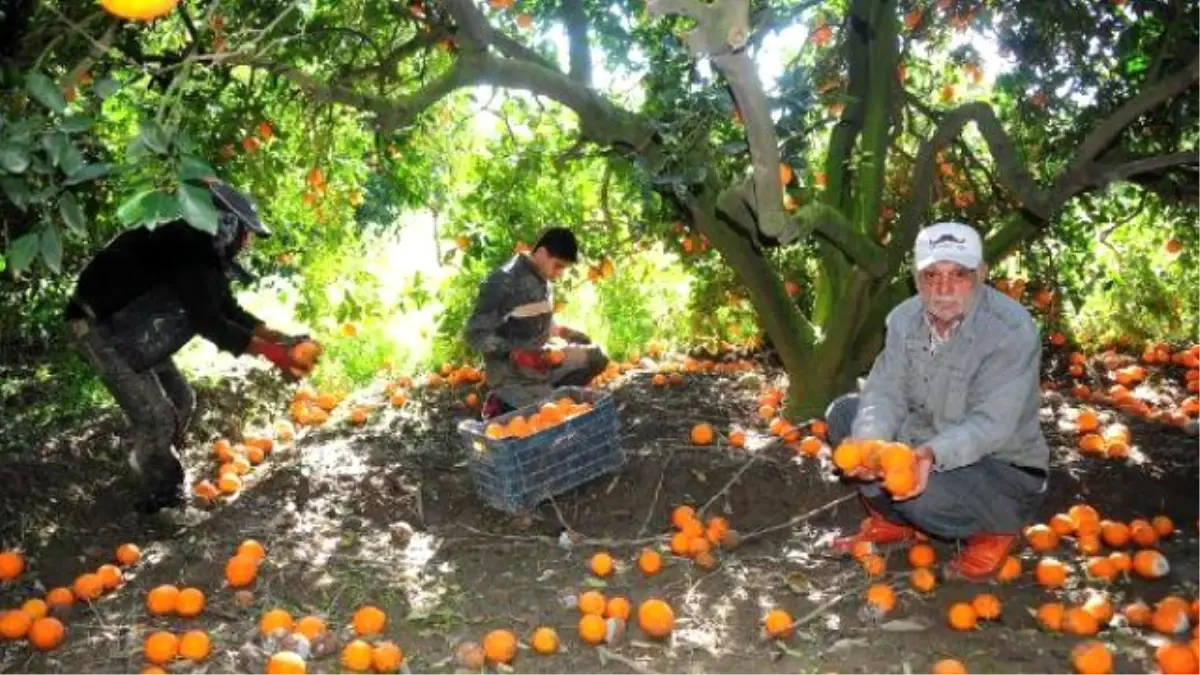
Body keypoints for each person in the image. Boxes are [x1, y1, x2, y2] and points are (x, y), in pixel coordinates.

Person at [64, 179, 318, 514]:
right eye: (247, 234)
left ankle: (150, 460)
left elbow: (227, 310)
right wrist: (273, 354)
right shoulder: (184, 246)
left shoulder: (199, 249)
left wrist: (280, 340)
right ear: (227, 225)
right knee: (157, 416)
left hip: (135, 325)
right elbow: (207, 321)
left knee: (182, 401)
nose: (247, 244)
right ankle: (161, 502)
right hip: (96, 327)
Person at [825, 221, 1049, 582]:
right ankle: (893, 521)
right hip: (927, 437)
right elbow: (884, 391)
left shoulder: (1010, 329)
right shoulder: (903, 320)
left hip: (1000, 468)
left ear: (981, 275)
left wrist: (929, 455)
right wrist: (869, 442)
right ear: (916, 278)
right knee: (846, 415)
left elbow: (991, 425)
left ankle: (996, 530)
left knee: (921, 492)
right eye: (931, 275)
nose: (943, 288)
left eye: (958, 274)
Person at [464, 227, 610, 419]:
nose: (559, 274)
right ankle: (504, 402)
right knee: (553, 415)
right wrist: (515, 353)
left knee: (597, 356)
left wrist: (568, 334)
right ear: (541, 253)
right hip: (512, 374)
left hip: (542, 361)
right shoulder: (503, 281)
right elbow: (474, 333)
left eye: (563, 269)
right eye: (557, 266)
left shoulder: (543, 279)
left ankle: (544, 392)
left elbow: (538, 320)